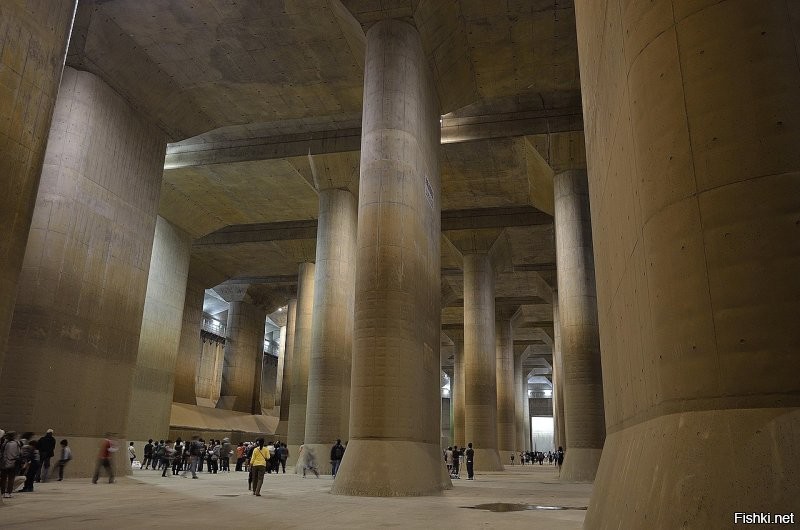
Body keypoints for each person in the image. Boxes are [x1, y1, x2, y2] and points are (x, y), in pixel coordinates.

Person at [1, 432, 21, 498]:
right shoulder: (17, 443)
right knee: (11, 479)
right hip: (13, 463)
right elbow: (18, 453)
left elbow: (2, 453)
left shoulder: (5, 443)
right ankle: (9, 492)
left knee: (3, 479)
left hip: (4, 463)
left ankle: (3, 492)